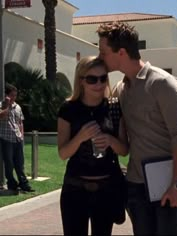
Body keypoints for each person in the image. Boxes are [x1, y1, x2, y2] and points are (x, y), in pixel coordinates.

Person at [97, 21, 177, 235]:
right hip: (136, 186)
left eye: (103, 52)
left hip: (168, 185)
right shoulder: (121, 89)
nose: (100, 57)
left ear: (121, 52)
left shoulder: (162, 83)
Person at [57, 56, 129, 236]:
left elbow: (125, 150)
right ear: (81, 81)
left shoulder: (113, 107)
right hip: (75, 189)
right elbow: (63, 153)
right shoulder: (68, 109)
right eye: (92, 79)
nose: (99, 84)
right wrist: (80, 137)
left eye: (103, 78)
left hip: (106, 189)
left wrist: (111, 141)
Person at [0, 83, 34, 194]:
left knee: (20, 163)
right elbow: (2, 116)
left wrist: (21, 135)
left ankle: (24, 184)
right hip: (6, 138)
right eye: (12, 95)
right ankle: (12, 184)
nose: (14, 97)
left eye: (15, 95)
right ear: (7, 95)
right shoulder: (1, 105)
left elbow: (20, 122)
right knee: (9, 163)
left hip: (17, 138)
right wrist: (7, 106)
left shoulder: (18, 107)